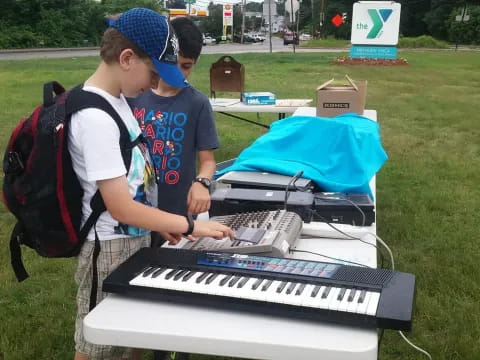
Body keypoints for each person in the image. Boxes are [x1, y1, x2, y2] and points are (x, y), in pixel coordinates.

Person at [68, 8, 234, 360]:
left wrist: (162, 225)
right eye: (153, 72)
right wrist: (187, 225)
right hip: (109, 244)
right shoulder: (96, 117)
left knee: (134, 325)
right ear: (127, 58)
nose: (155, 82)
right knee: (97, 342)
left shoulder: (117, 100)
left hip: (135, 235)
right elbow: (119, 205)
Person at [130, 17, 219, 246]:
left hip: (178, 215)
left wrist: (202, 183)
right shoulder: (135, 95)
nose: (179, 73)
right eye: (173, 64)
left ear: (196, 61)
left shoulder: (197, 103)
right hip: (135, 210)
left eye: (187, 66)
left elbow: (208, 161)